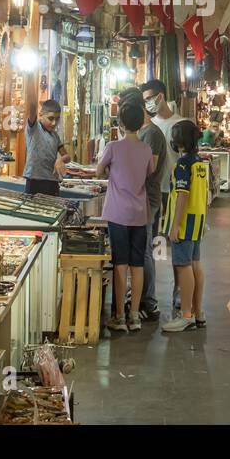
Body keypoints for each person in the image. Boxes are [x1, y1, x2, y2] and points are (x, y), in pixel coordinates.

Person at [98, 99, 156, 332]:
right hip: (140, 214)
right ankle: (134, 316)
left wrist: (111, 169)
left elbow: (98, 171)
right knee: (137, 263)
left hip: (118, 213)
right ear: (141, 122)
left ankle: (119, 316)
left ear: (120, 123)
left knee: (119, 263)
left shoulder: (113, 147)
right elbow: (149, 173)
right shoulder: (146, 149)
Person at [140, 79, 195, 315]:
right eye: (144, 101)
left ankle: (179, 293)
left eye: (149, 98)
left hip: (175, 192)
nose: (147, 104)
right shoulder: (148, 126)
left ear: (160, 96)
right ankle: (148, 294)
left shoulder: (181, 124)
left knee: (177, 244)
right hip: (154, 192)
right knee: (154, 245)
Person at [122, 87, 167, 322]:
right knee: (142, 249)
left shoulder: (151, 134)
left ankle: (149, 302)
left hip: (147, 199)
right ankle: (139, 297)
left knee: (146, 251)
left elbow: (148, 169)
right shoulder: (144, 132)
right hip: (140, 198)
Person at [162, 120, 208, 332]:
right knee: (195, 265)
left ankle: (186, 315)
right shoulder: (199, 163)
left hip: (184, 224)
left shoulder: (182, 165)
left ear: (178, 142)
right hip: (197, 222)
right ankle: (198, 312)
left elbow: (182, 196)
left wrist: (174, 226)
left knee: (183, 266)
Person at [24, 94, 67, 196]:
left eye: (57, 119)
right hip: (34, 182)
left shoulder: (55, 136)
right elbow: (32, 105)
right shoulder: (34, 128)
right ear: (40, 115)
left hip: (52, 183)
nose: (54, 123)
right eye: (50, 118)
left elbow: (66, 156)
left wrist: (61, 159)